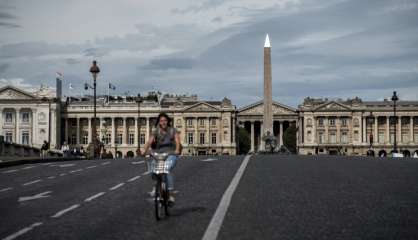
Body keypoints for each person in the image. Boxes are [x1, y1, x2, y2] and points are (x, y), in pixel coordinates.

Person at [142, 113, 181, 203]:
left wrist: (177, 150)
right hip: (158, 155)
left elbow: (177, 141)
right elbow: (149, 141)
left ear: (168, 121)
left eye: (165, 120)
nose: (163, 122)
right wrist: (144, 150)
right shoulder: (156, 131)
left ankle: (170, 194)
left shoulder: (172, 130)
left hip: (171, 154)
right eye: (161, 121)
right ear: (159, 122)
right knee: (152, 170)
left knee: (166, 169)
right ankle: (158, 186)